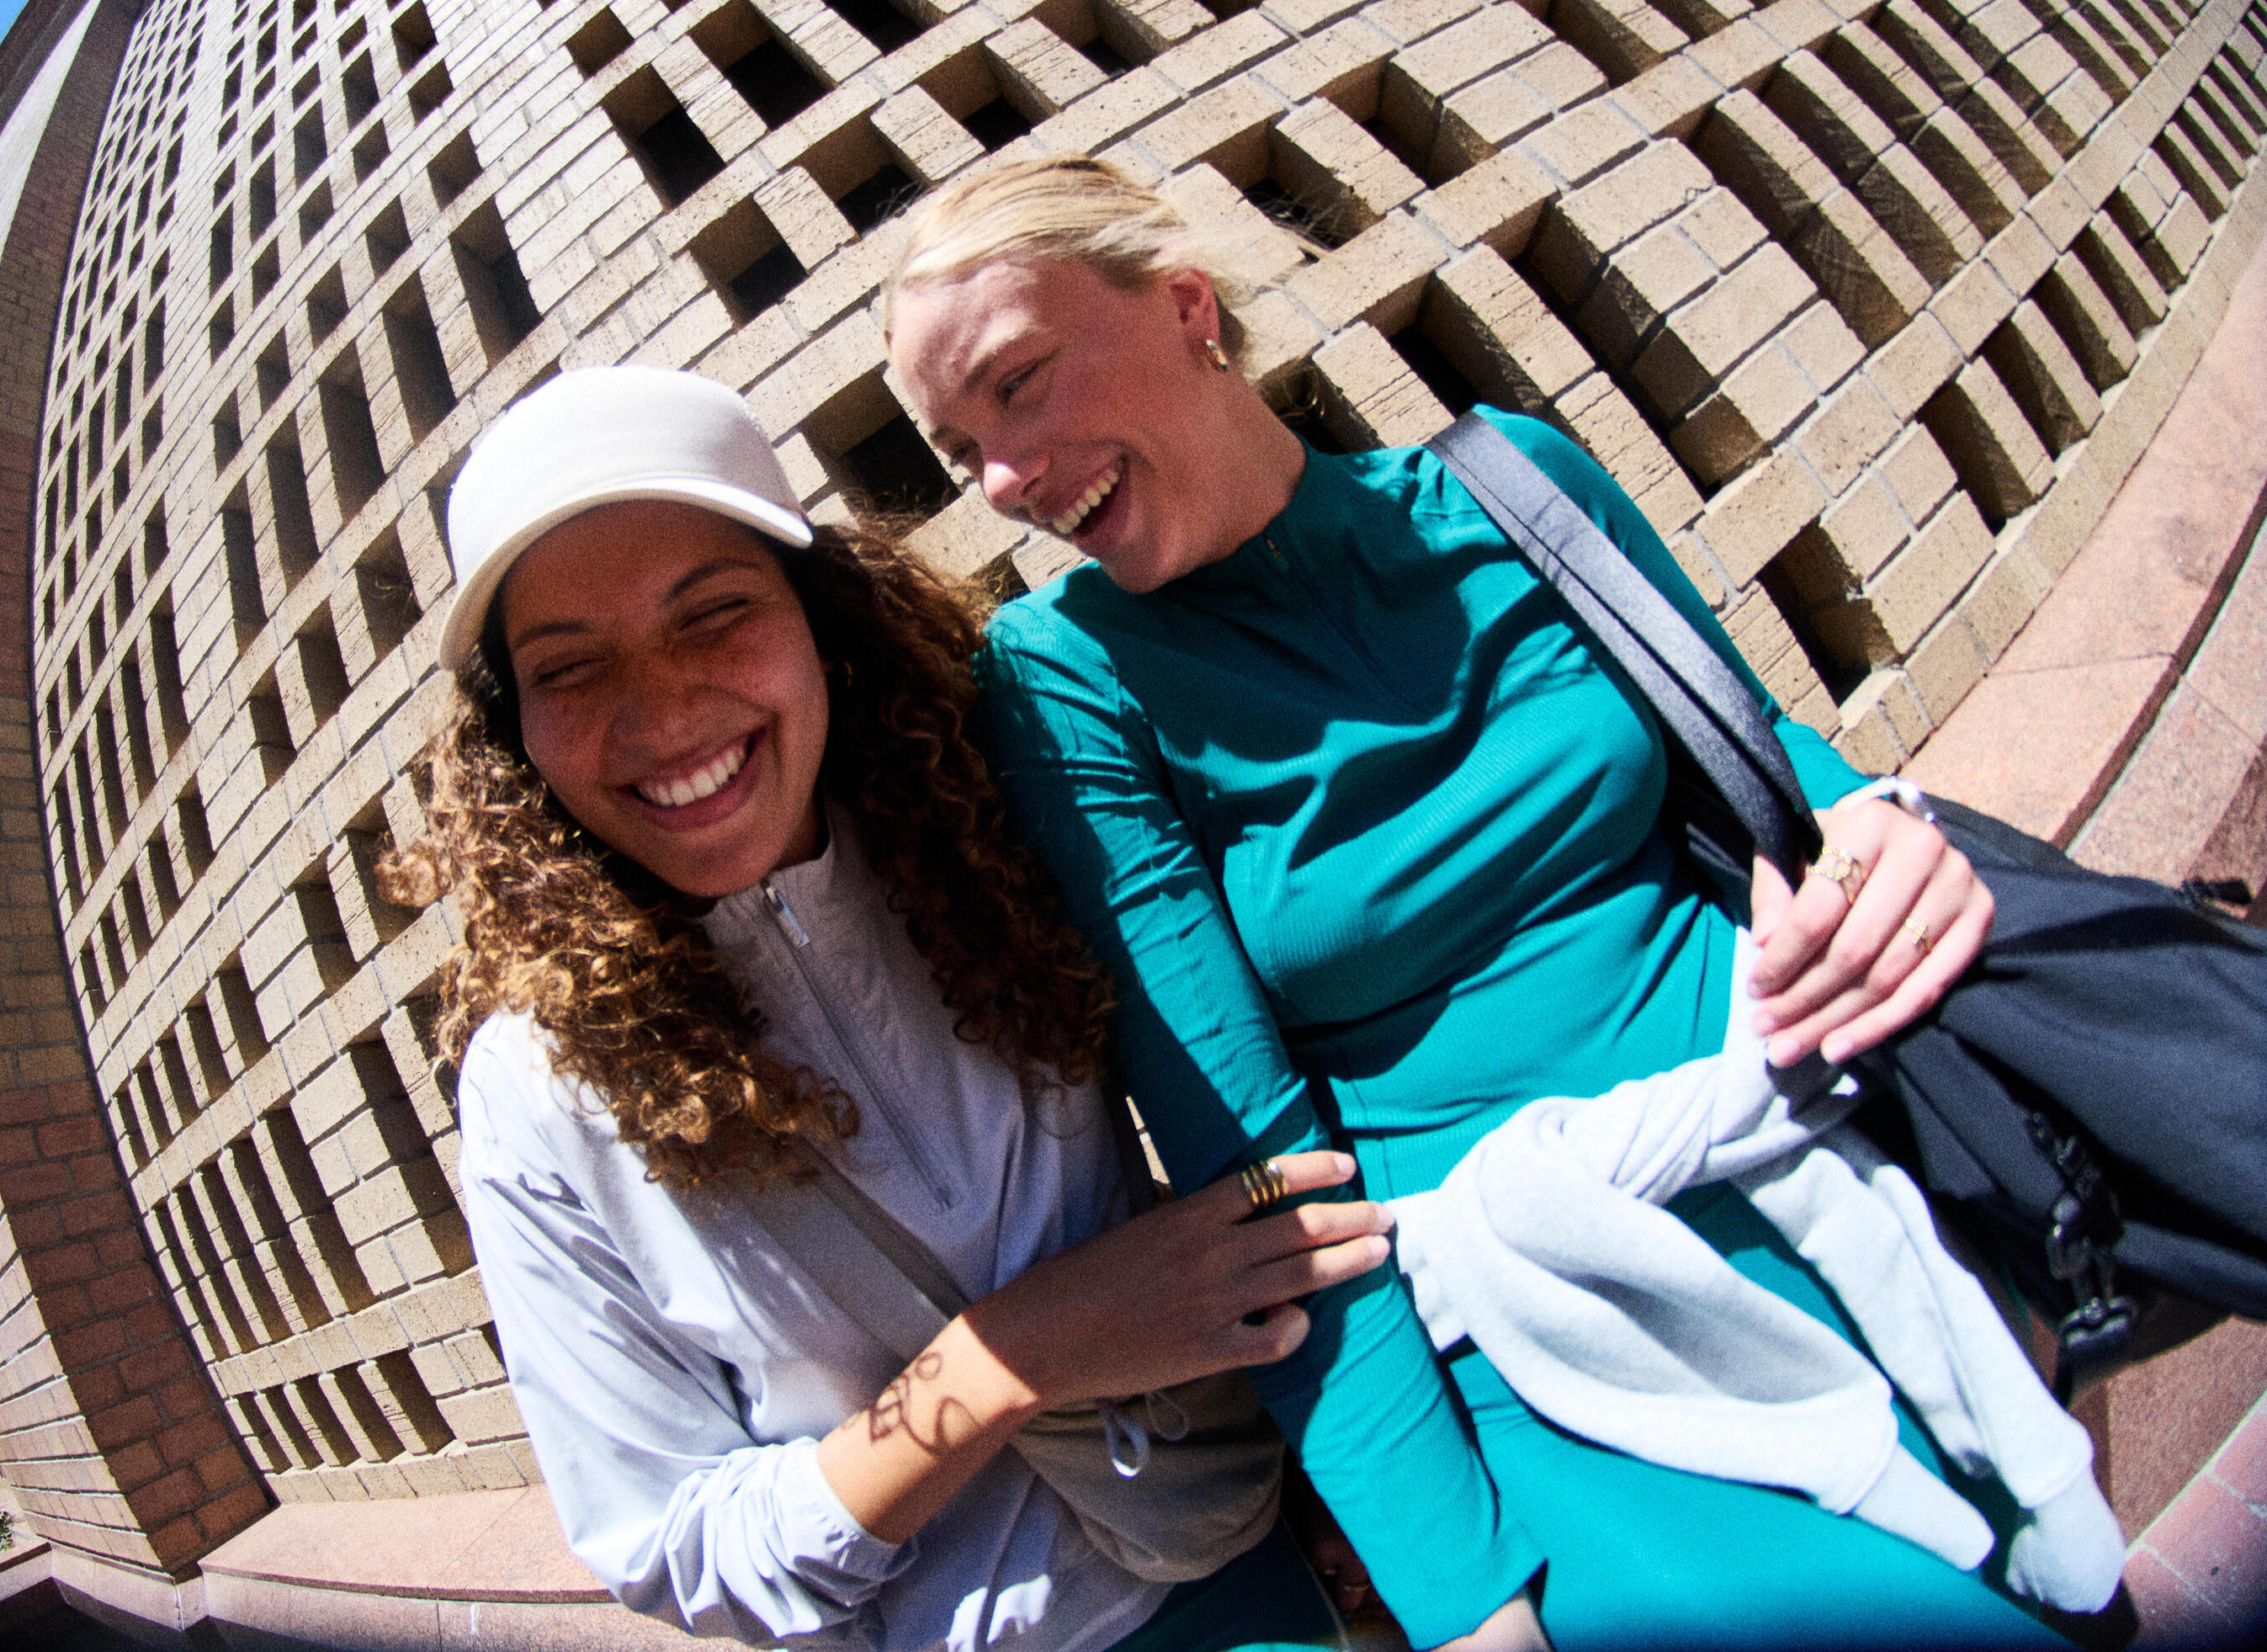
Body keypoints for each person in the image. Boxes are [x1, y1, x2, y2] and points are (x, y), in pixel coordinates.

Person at [881, 156, 2101, 1652]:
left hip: (1847, 1142)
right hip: (1547, 1313)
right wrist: (1462, 1593)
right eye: (959, 453)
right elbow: (1257, 1171)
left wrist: (1861, 820)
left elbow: (1742, 737)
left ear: (1188, 306)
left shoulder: (1509, 479)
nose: (1003, 481)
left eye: (1017, 386)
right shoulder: (1064, 680)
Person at [385, 364, 1398, 1652]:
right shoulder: (534, 1094)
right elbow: (674, 1547)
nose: (660, 708)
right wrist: (1003, 1360)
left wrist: (1345, 1450)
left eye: (713, 614)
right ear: (510, 731)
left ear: (823, 618)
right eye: (570, 669)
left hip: (1280, 1550)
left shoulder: (999, 824)